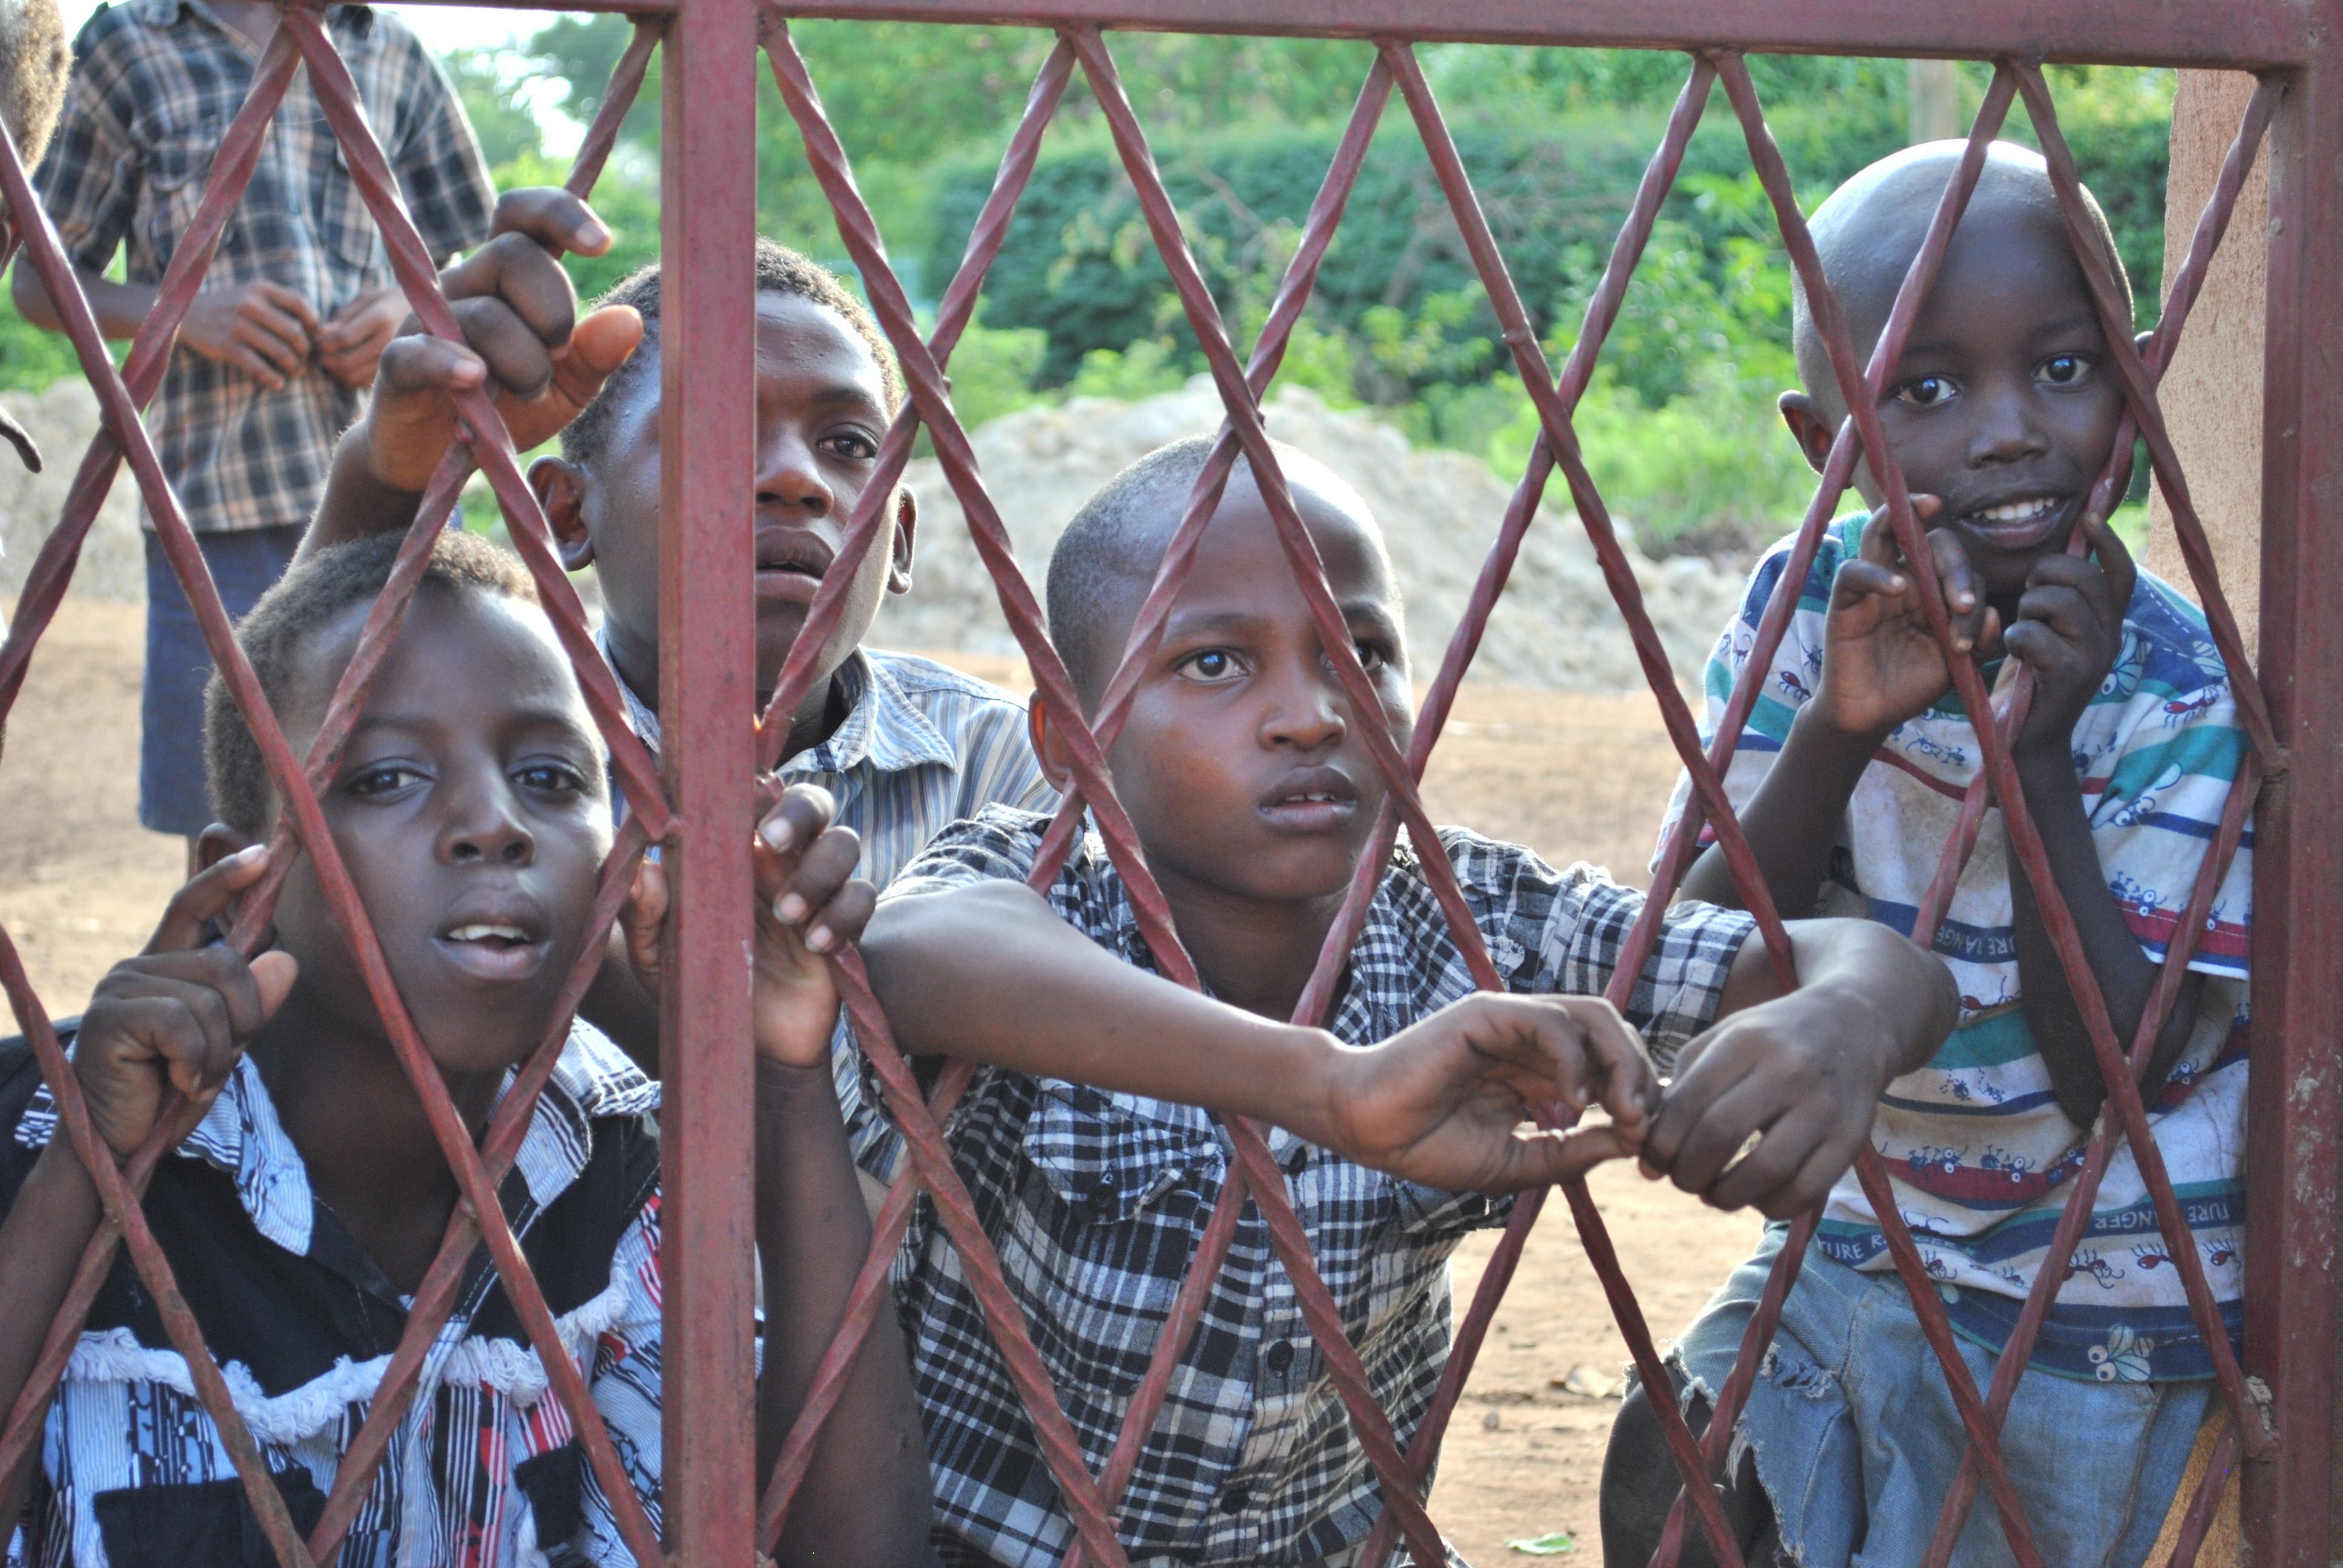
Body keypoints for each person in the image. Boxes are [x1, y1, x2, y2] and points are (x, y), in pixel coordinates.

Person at [851, 436, 1962, 1567]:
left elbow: (1871, 968)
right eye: (1216, 664)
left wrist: (1850, 1015)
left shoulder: (1460, 914)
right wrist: (1329, 1086)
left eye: (1360, 651)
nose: (1311, 714)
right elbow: (910, 948)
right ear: (1069, 739)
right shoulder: (1039, 886)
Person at [0, 529, 934, 1566]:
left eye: (548, 776)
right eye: (388, 777)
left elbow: (853, 1551)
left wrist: (781, 1075)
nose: (494, 824)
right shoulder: (42, 1123)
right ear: (245, 881)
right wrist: (81, 1174)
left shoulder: (628, 1163)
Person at [1599, 143, 2254, 1568]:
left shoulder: (2188, 696)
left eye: (2066, 371)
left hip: (2104, 1283)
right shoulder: (1799, 608)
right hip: (1868, 1230)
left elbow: (2115, 1085)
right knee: (1670, 1475)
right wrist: (1836, 729)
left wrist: (2033, 756)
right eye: (1926, 390)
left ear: (2137, 393)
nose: (2008, 432)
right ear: (1819, 433)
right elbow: (1693, 950)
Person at [302, 196, 1054, 1168]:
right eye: (712, 432)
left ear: (898, 541)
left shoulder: (1008, 769)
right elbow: (291, 772)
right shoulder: (476, 757)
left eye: (849, 446)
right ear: (568, 515)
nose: (794, 480)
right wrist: (384, 477)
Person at [13, 0, 496, 860]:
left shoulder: (387, 50)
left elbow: (471, 254)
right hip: (217, 514)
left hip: (405, 503)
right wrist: (181, 312)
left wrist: (407, 305)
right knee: (234, 830)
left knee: (421, 798)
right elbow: (40, 281)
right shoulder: (128, 45)